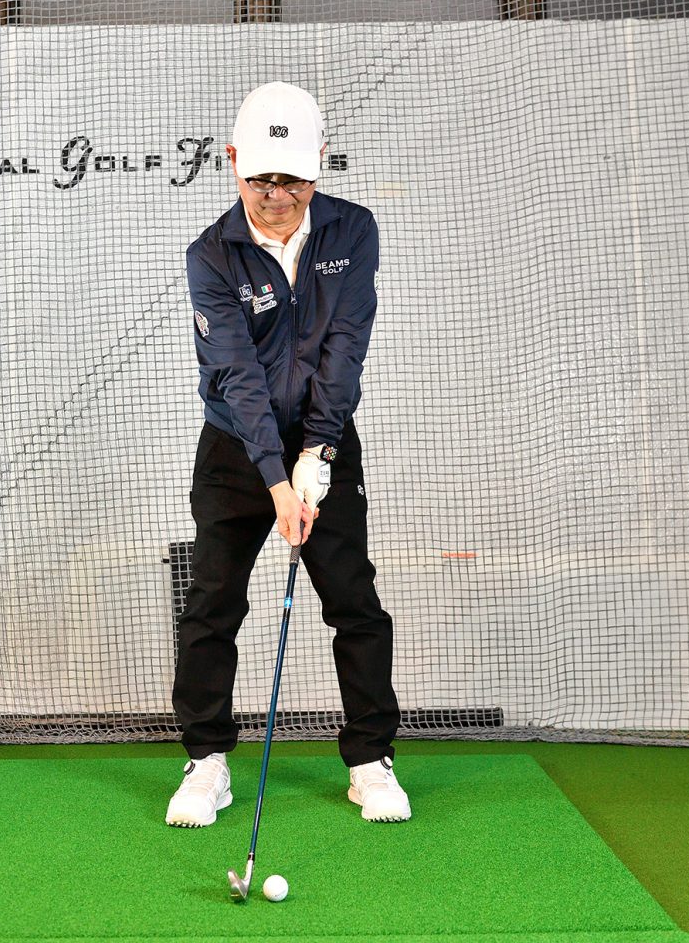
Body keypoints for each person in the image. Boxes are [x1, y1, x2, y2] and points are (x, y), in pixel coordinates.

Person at [167, 82, 410, 827]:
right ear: (233, 162)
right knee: (212, 603)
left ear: (320, 163)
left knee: (354, 601)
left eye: (294, 179)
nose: (277, 196)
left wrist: (319, 451)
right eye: (262, 179)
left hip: (324, 439)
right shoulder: (211, 255)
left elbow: (346, 348)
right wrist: (277, 479)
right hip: (236, 449)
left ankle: (369, 761)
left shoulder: (351, 230)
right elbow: (236, 374)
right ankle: (207, 762)